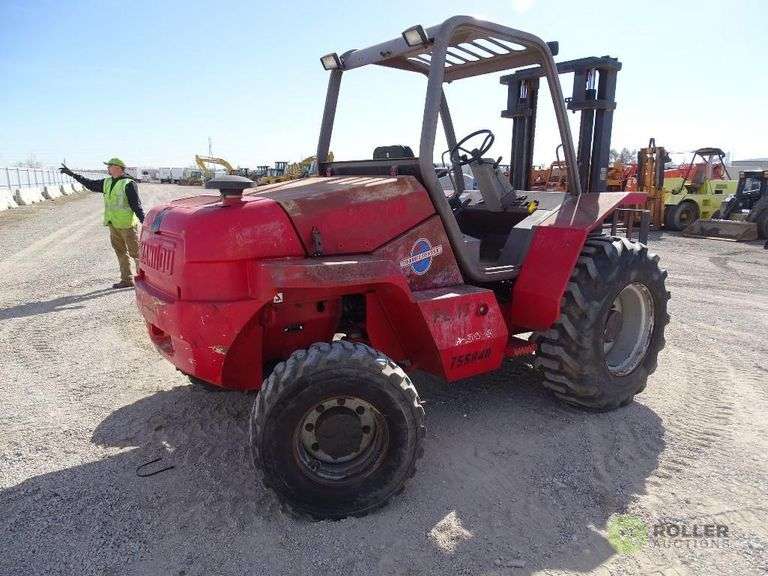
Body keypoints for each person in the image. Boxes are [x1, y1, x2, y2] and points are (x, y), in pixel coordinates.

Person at [60, 158, 145, 289]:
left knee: (136, 253)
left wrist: (144, 221)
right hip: (113, 223)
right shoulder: (107, 182)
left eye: (109, 166)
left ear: (118, 167)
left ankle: (144, 279)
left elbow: (136, 205)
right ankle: (127, 279)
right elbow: (89, 184)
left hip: (127, 225)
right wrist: (72, 174)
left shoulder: (129, 183)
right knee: (120, 252)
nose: (107, 168)